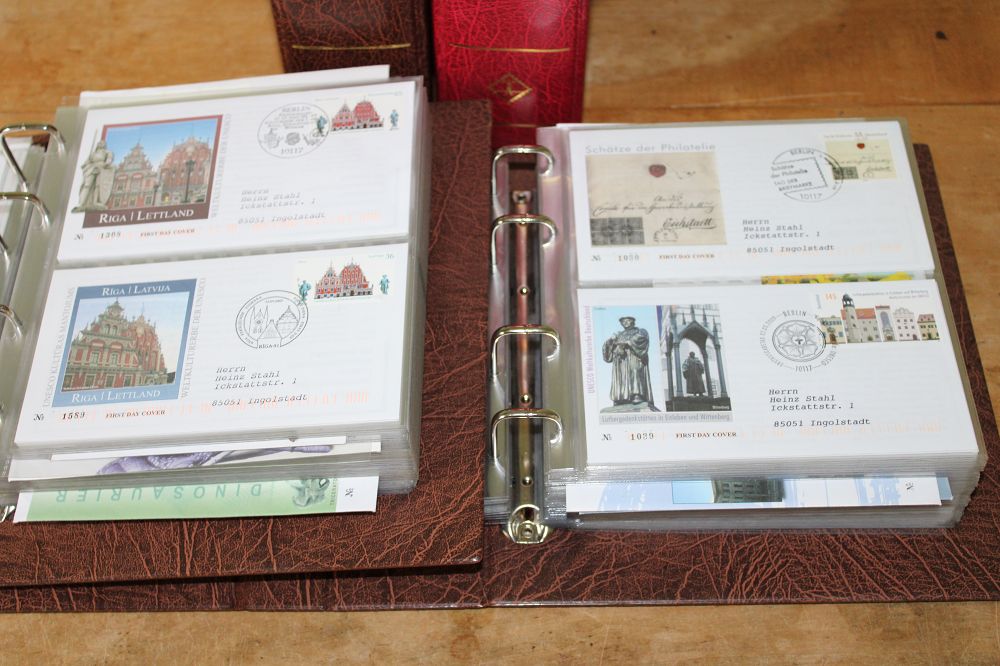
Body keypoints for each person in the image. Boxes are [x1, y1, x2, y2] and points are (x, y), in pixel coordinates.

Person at [602, 316, 654, 407]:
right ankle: (621, 397)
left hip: (634, 356)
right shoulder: (618, 334)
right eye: (623, 321)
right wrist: (610, 340)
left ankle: (637, 394)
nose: (625, 322)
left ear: (633, 321)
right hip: (620, 360)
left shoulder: (640, 331)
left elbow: (642, 339)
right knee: (621, 376)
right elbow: (608, 348)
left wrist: (627, 342)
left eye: (628, 320)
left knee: (635, 371)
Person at [72, 140, 115, 212]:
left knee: (98, 186)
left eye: (102, 143)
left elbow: (109, 160)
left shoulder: (107, 152)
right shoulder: (93, 154)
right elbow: (87, 162)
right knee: (87, 185)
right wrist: (85, 165)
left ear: (104, 145)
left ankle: (96, 202)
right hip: (91, 168)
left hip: (101, 169)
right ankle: (81, 203)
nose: (100, 144)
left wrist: (106, 163)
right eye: (99, 143)